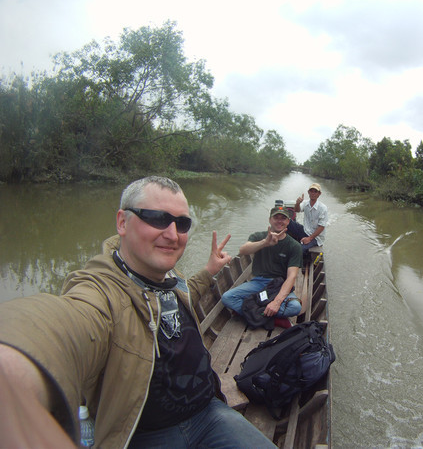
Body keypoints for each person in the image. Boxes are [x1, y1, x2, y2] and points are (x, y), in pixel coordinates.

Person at [0, 176, 276, 448]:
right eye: (156, 218)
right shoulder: (101, 291)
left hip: (209, 412)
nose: (172, 234)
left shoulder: (165, 272)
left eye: (181, 223)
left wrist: (209, 272)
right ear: (122, 222)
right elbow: (59, 326)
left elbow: (176, 297)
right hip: (148, 434)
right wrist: (13, 367)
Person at [221, 207, 303, 323]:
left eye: (283, 218)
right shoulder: (258, 236)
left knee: (295, 307)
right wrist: (265, 242)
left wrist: (276, 302)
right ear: (270, 220)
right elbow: (243, 250)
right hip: (258, 283)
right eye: (276, 218)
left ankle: (251, 312)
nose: (279, 221)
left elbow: (291, 277)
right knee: (227, 298)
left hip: (279, 285)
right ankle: (272, 318)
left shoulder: (294, 246)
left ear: (288, 222)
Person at [287, 183, 328, 255]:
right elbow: (297, 210)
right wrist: (297, 203)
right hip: (305, 230)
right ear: (308, 192)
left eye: (315, 191)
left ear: (319, 194)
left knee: (299, 250)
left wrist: (309, 238)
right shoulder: (305, 203)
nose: (313, 193)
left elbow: (321, 227)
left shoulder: (323, 208)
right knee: (287, 221)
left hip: (316, 237)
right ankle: (285, 242)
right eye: (311, 191)